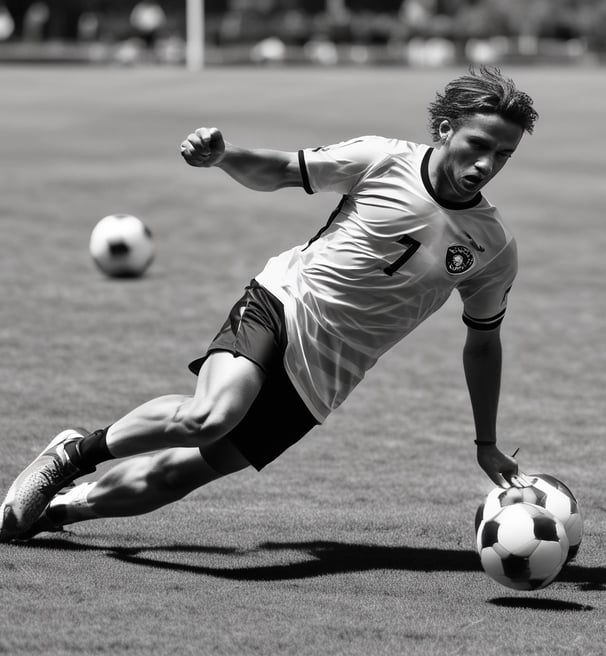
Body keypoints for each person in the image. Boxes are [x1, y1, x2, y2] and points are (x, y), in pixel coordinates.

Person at [0, 66, 538, 542]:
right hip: (283, 304)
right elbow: (282, 170)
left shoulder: (492, 247)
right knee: (210, 415)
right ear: (446, 129)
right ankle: (71, 456)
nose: (487, 164)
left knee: (175, 474)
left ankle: (58, 512)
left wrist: (486, 442)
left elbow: (483, 345)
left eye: (503, 156)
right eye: (478, 145)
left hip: (325, 376)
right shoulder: (382, 160)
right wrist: (223, 157)